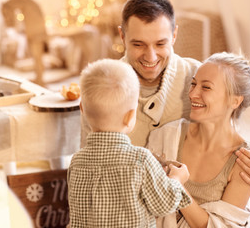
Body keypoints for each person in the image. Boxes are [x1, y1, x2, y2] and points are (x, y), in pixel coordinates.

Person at [81, 0, 250, 188]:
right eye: (138, 44)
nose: (151, 57)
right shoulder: (100, 86)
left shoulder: (199, 78)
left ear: (174, 35)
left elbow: (228, 140)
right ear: (122, 36)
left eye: (160, 44)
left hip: (187, 201)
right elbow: (88, 162)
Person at [147, 52, 250, 227]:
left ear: (234, 101)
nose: (193, 94)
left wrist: (177, 188)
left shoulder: (244, 161)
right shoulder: (167, 135)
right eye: (193, 84)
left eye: (206, 87)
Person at [68, 59, 192, 227]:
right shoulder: (140, 159)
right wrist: (177, 180)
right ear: (130, 116)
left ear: (82, 109)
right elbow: (164, 205)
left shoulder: (76, 162)